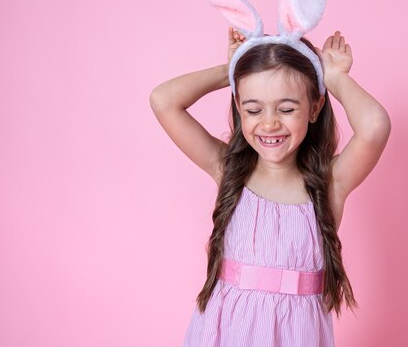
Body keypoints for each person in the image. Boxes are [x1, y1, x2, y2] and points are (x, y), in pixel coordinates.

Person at [150, 24, 391, 346]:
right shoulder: (228, 170)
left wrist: (334, 79)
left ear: (315, 108)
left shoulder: (330, 184)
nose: (269, 123)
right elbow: (163, 99)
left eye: (287, 109)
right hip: (225, 333)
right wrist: (231, 69)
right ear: (239, 107)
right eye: (253, 109)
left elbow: (374, 127)